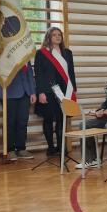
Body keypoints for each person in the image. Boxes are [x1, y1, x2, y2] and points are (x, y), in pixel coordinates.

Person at [34, 27, 77, 157]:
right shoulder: (41, 53)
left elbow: (71, 73)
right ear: (48, 37)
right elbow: (39, 74)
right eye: (54, 35)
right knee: (48, 119)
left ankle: (61, 147)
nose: (57, 37)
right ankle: (51, 147)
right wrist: (40, 92)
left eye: (59, 34)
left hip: (64, 91)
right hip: (48, 91)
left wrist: (73, 90)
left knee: (61, 119)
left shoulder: (67, 53)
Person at [1, 62, 36, 162]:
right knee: (9, 122)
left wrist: (32, 92)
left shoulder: (24, 55)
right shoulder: (5, 56)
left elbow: (29, 73)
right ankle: (9, 150)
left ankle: (21, 148)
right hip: (9, 92)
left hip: (25, 92)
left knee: (22, 122)